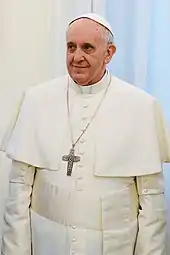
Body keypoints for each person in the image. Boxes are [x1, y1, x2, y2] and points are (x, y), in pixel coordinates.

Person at [1, 13, 170, 255]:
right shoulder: (36, 100)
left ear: (109, 53)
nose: (76, 57)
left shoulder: (141, 106)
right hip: (47, 243)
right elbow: (18, 193)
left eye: (87, 48)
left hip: (114, 247)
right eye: (71, 47)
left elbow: (151, 203)